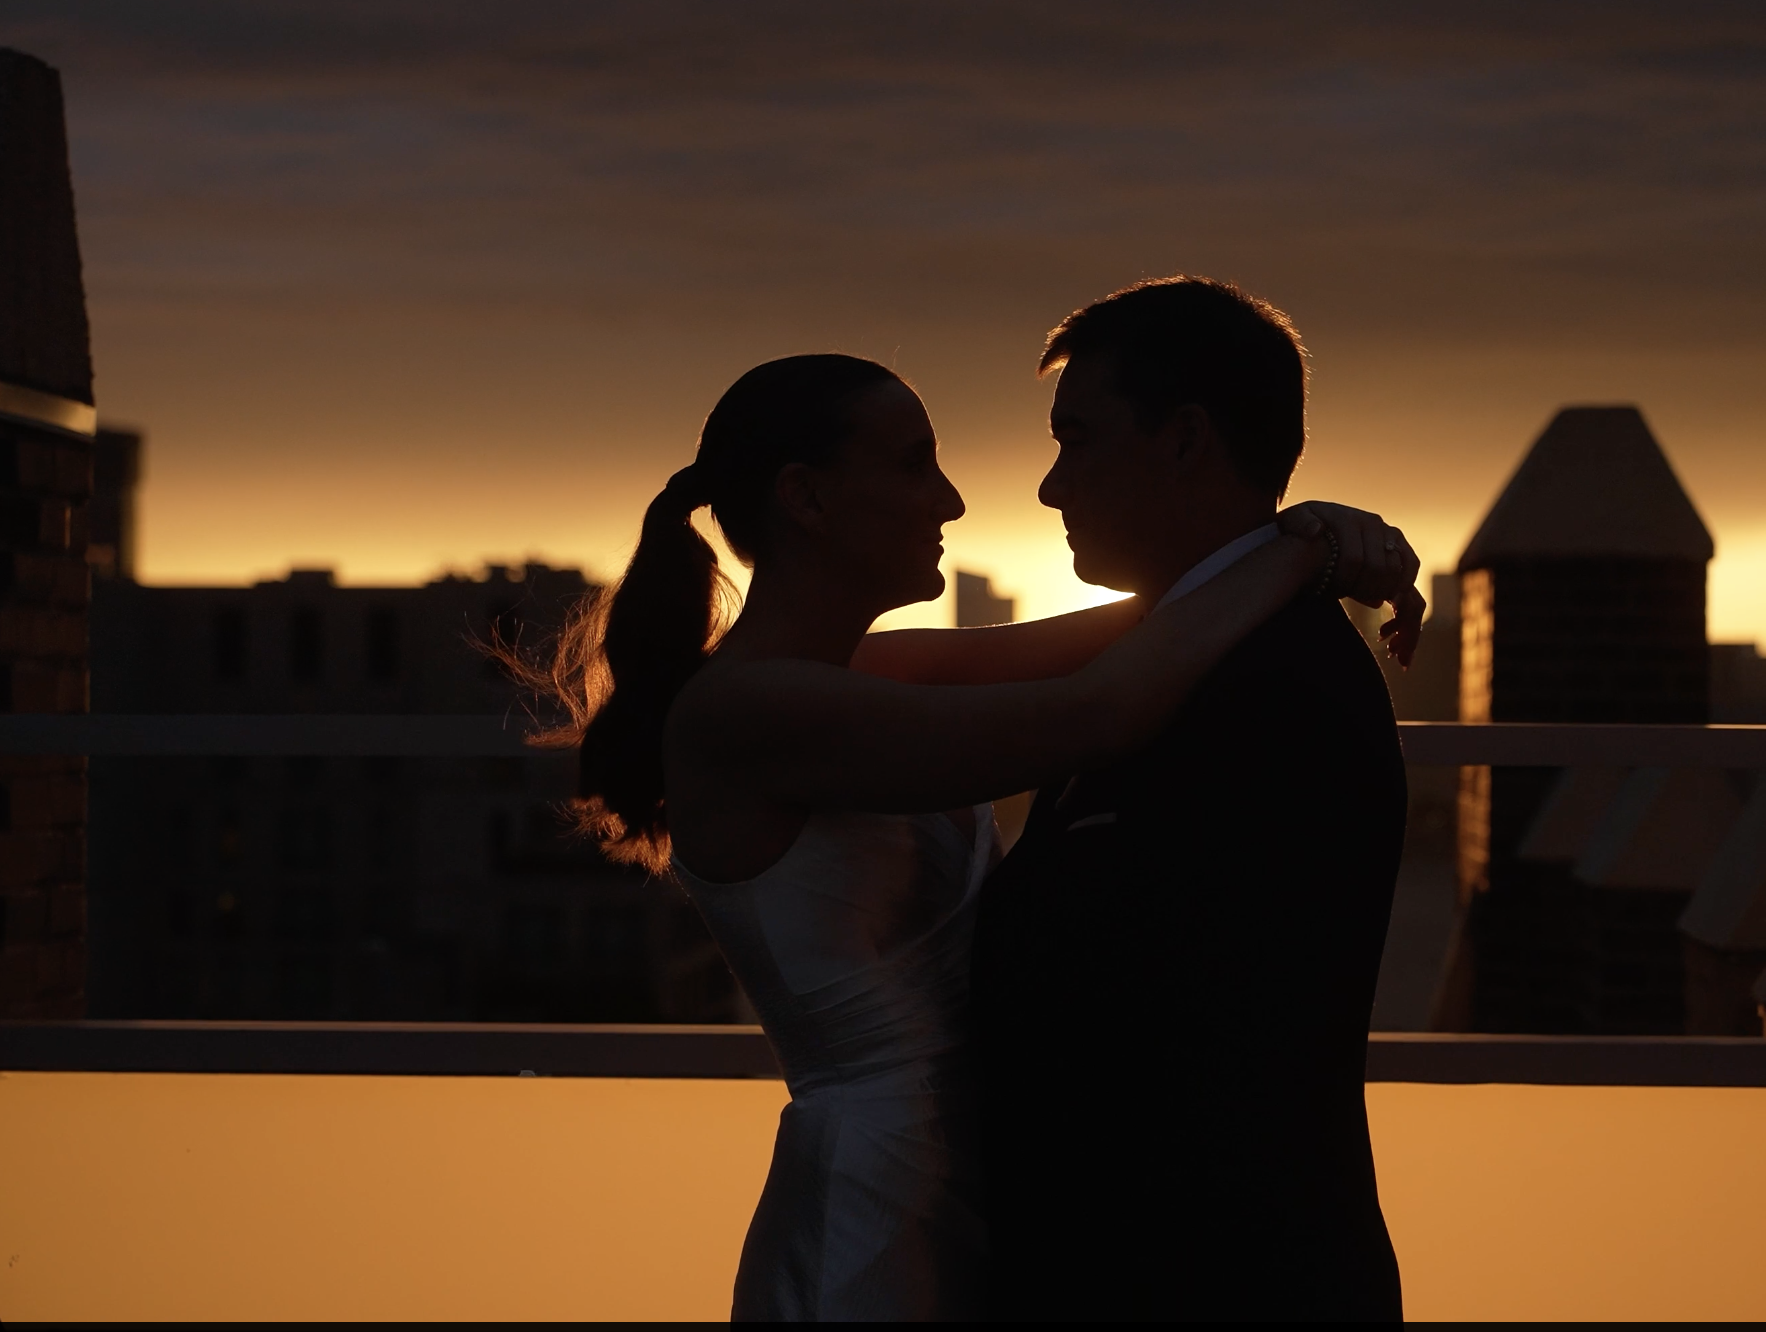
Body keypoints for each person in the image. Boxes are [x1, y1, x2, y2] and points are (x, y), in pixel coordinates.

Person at [527, 347, 1422, 1321]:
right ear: (807, 499)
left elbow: (1136, 632)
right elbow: (1097, 711)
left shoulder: (862, 676)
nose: (951, 501)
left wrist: (1306, 539)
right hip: (877, 1207)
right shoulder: (745, 711)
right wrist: (1303, 551)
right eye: (914, 465)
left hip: (966, 1177)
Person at [974, 277, 1410, 1320]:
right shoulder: (1182, 657)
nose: (1047, 487)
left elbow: (1214, 1051)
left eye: (1075, 439)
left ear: (1182, 440)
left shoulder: (1275, 681)